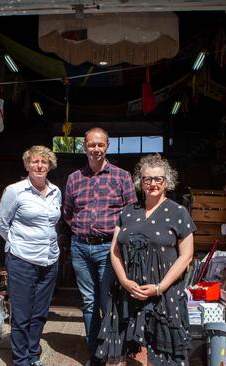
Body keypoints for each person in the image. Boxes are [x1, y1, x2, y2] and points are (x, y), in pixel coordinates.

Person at [97, 154, 195, 366]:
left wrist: (160, 287)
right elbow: (115, 250)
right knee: (125, 350)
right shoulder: (128, 212)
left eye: (158, 178)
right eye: (147, 179)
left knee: (163, 353)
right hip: (129, 290)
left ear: (166, 181)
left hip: (164, 293)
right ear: (139, 182)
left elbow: (186, 255)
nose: (152, 184)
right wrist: (124, 281)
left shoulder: (178, 212)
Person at [63, 127, 138, 365]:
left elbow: (132, 214)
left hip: (110, 249)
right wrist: (81, 229)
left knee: (108, 300)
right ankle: (95, 352)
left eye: (100, 145)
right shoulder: (74, 178)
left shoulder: (122, 176)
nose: (96, 149)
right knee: (88, 301)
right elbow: (67, 212)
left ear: (107, 146)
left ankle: (114, 347)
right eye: (91, 145)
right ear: (84, 146)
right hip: (80, 248)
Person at [0, 145, 62, 366]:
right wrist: (16, 244)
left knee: (40, 313)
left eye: (44, 162)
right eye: (35, 161)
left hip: (50, 259)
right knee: (22, 315)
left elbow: (54, 222)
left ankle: (33, 355)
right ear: (27, 165)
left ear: (50, 165)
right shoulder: (15, 190)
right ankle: (21, 359)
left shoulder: (56, 191)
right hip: (22, 259)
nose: (39, 165)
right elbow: (1, 223)